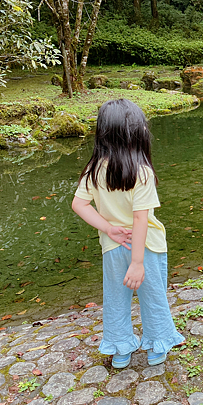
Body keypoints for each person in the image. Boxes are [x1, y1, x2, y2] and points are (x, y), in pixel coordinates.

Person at [71, 99, 184, 369]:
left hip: (112, 246)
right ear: (136, 134)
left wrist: (108, 228)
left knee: (115, 300)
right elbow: (139, 219)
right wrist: (137, 262)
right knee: (153, 297)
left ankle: (121, 348)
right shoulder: (141, 173)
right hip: (146, 248)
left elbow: (79, 204)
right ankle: (157, 345)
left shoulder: (94, 169)